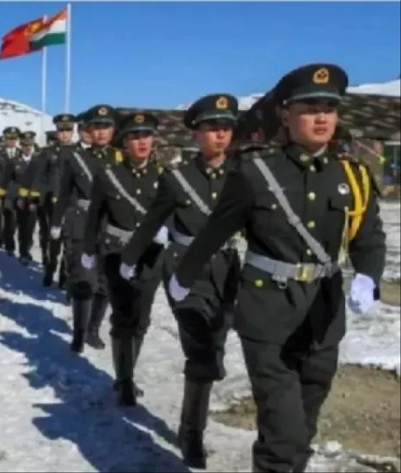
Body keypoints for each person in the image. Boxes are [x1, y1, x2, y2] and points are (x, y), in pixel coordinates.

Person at [170, 64, 385, 473]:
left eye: (329, 107)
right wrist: (184, 277)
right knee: (283, 435)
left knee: (301, 429)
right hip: (268, 314)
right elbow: (215, 232)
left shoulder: (352, 175)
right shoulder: (255, 172)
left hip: (323, 316)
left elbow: (369, 236)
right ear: (285, 115)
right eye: (309, 107)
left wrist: (369, 276)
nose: (321, 117)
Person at [120, 93, 242, 466]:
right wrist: (129, 258)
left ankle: (193, 416)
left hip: (228, 268)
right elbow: (153, 221)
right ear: (196, 134)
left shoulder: (245, 176)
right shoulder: (178, 179)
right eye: (211, 128)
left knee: (216, 344)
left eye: (225, 129)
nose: (219, 136)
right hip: (184, 269)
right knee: (201, 348)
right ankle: (193, 432)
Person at [81, 111, 168, 406]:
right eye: (134, 136)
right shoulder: (109, 177)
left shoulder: (165, 176)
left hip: (152, 257)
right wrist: (89, 250)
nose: (141, 141)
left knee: (142, 320)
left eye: (146, 135)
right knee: (123, 318)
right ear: (124, 142)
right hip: (117, 255)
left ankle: (128, 370)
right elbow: (95, 216)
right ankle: (124, 380)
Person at [50, 107, 116, 353]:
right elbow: (64, 192)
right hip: (81, 223)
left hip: (110, 225)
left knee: (105, 282)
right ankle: (78, 333)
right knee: (83, 281)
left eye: (105, 127)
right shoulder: (74, 158)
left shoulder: (119, 158)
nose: (100, 133)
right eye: (95, 127)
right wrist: (57, 222)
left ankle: (93, 329)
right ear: (87, 130)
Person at [28, 115, 76, 287]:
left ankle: (64, 275)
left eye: (68, 130)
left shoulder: (78, 152)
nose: (64, 134)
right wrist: (34, 198)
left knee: (69, 240)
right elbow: (40, 176)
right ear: (57, 132)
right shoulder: (48, 153)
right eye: (61, 130)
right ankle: (50, 269)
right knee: (53, 239)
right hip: (51, 202)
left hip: (71, 203)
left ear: (73, 131)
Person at [0, 130, 39, 263]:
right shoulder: (13, 162)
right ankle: (23, 253)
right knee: (21, 226)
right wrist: (6, 199)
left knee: (30, 227)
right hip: (19, 199)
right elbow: (6, 180)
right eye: (25, 145)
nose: (27, 148)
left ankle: (26, 248)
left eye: (30, 145)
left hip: (34, 197)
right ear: (21, 145)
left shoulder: (38, 160)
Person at [0, 127, 22, 256]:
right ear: (5, 139)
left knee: (15, 219)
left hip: (18, 192)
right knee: (3, 217)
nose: (11, 141)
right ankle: (5, 241)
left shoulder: (22, 153)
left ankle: (10, 241)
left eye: (14, 138)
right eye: (9, 138)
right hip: (1, 191)